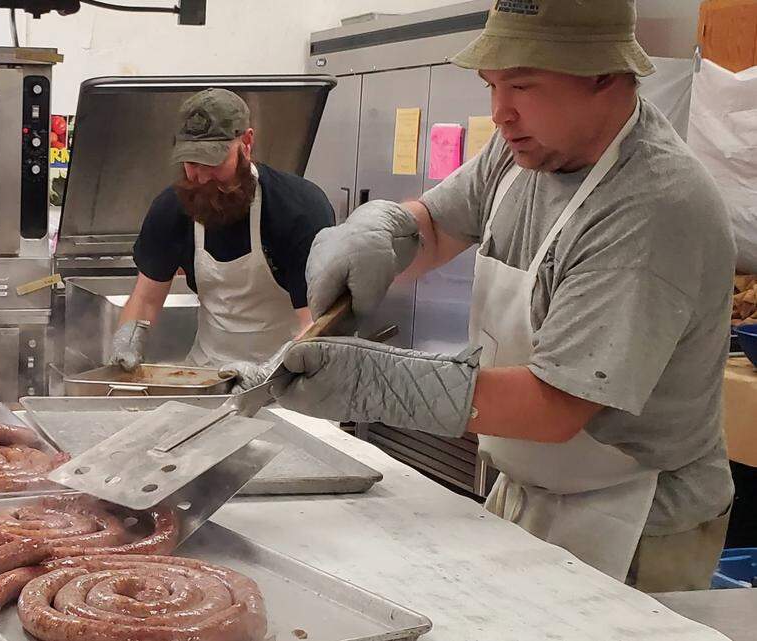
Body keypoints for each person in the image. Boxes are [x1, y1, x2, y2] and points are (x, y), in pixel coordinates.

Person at [271, 0, 735, 592]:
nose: (500, 111)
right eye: (491, 84)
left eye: (522, 84)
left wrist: (375, 383)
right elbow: (437, 226)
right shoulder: (525, 152)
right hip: (530, 487)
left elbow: (555, 406)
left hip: (635, 521)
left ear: (604, 75)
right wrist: (382, 231)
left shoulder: (651, 206)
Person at [108, 88, 335, 373]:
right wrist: (128, 340)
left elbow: (314, 325)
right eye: (191, 163)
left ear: (247, 143)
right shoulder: (172, 209)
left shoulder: (299, 210)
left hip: (288, 381)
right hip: (206, 376)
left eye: (213, 162)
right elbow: (145, 299)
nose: (201, 178)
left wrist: (273, 374)